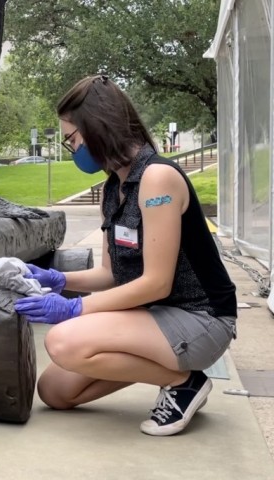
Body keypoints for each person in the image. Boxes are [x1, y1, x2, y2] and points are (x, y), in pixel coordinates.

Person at [14, 74, 237, 436]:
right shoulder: (113, 188)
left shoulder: (157, 178)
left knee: (62, 341)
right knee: (54, 391)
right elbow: (111, 274)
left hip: (202, 318)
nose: (72, 149)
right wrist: (57, 280)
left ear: (96, 126)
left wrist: (74, 309)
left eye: (72, 138)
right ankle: (174, 378)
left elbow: (156, 283)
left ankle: (185, 381)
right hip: (155, 317)